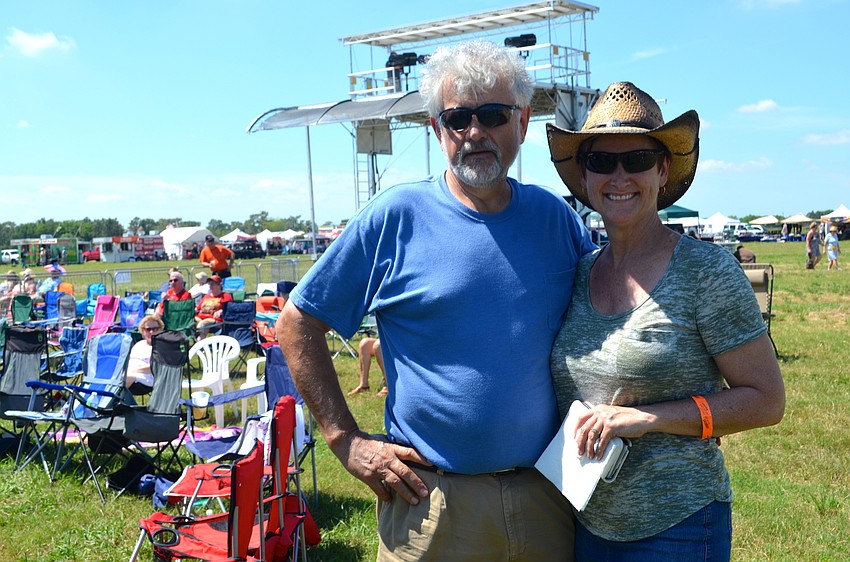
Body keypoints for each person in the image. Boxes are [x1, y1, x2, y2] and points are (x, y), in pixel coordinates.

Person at [277, 40, 595, 561]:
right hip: (431, 504)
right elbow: (296, 323)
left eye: (493, 115)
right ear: (436, 129)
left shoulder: (555, 219)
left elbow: (609, 319)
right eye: (458, 118)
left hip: (547, 495)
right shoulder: (395, 216)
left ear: (522, 123)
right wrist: (344, 439)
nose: (475, 132)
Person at [547, 81, 785, 561]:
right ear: (585, 176)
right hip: (587, 523)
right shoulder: (579, 271)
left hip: (678, 528)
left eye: (636, 159)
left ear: (662, 169)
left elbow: (766, 400)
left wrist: (648, 419)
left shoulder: (706, 272)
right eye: (602, 161)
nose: (619, 176)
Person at [125, 314, 164, 394]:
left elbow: (155, 367)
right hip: (132, 375)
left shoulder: (162, 346)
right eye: (148, 329)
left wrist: (133, 370)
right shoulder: (138, 344)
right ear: (142, 331)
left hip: (149, 378)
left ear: (160, 330)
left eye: (155, 329)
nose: (152, 332)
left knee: (122, 379)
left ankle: (111, 399)